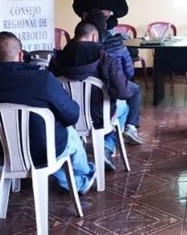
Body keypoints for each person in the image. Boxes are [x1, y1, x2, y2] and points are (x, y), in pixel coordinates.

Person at [0, 32, 94, 194]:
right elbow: (72, 115)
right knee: (69, 133)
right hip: (45, 151)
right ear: (21, 56)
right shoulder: (43, 80)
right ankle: (82, 176)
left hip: (1, 153)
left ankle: (79, 179)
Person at [48, 13, 135, 171]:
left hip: (67, 117)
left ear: (75, 36)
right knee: (124, 107)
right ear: (95, 36)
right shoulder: (105, 58)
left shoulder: (56, 59)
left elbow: (50, 89)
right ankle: (106, 147)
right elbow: (122, 92)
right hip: (99, 117)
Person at [101, 16, 144, 144]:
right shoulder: (116, 43)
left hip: (81, 104)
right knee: (134, 90)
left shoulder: (74, 49)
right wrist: (122, 78)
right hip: (111, 90)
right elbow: (129, 71)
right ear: (106, 26)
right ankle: (130, 127)